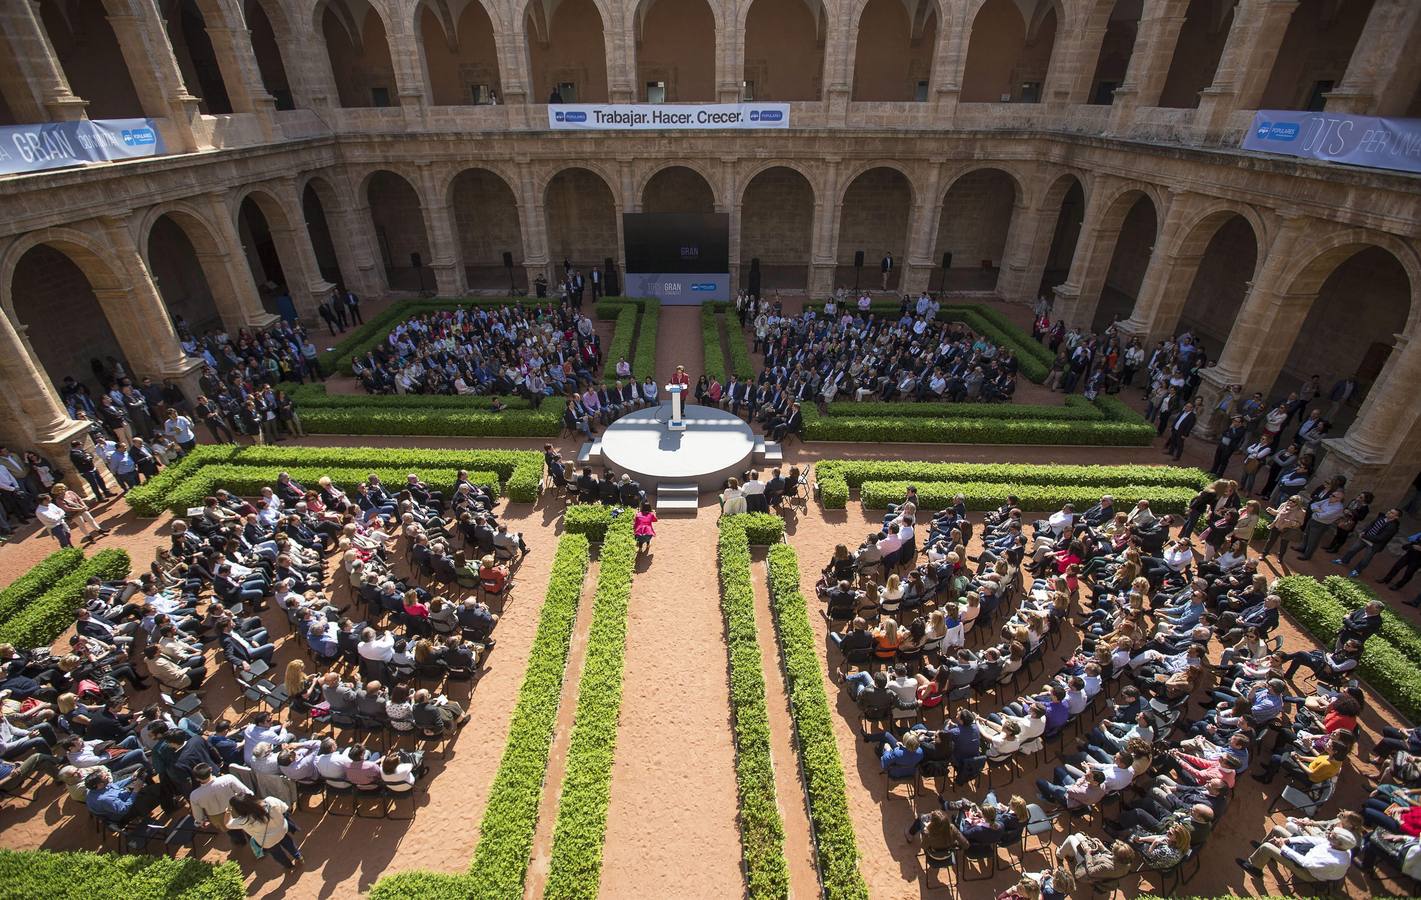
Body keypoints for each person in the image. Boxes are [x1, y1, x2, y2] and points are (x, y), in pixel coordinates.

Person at [1236, 827, 1355, 883]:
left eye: (1332, 835)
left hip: (1307, 871)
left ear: (1339, 844)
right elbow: (1312, 840)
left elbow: (1304, 862)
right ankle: (1263, 850)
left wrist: (1283, 847)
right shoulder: (1342, 846)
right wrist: (1288, 841)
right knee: (1277, 829)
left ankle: (1255, 867)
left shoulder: (1333, 860)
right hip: (1306, 851)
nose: (1329, 834)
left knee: (1268, 848)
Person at [228, 792, 303, 868]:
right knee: (289, 844)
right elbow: (285, 808)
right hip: (282, 831)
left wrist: (228, 811)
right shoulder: (270, 801)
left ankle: (288, 866)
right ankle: (298, 856)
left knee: (278, 855)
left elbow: (227, 823)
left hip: (268, 842)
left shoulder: (243, 821)